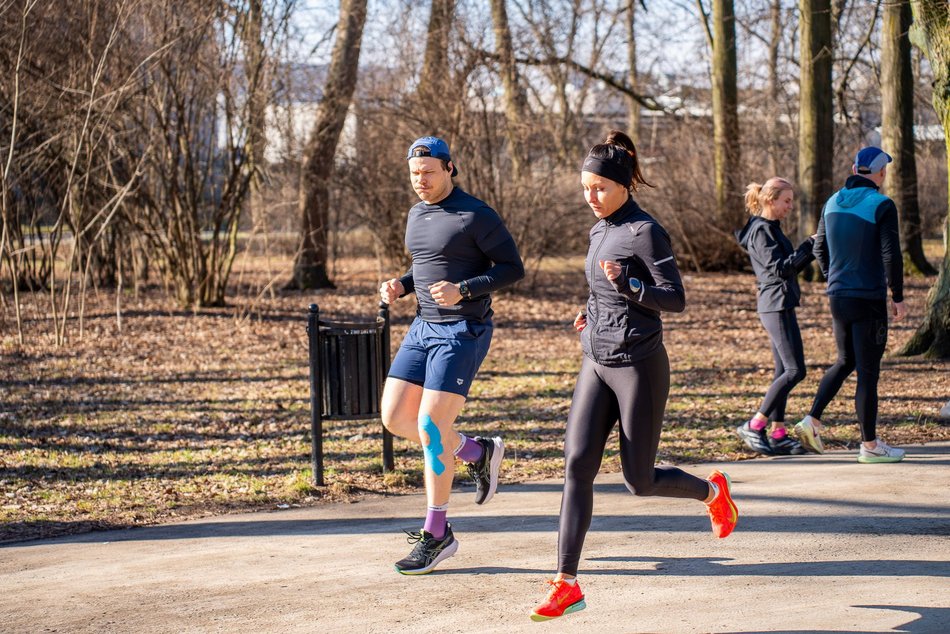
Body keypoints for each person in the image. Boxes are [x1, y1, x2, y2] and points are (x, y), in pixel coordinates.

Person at [530, 130, 738, 622]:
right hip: (596, 360)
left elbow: (674, 299)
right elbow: (599, 287)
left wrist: (632, 284)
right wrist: (589, 313)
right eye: (585, 188)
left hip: (639, 365)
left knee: (638, 481)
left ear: (622, 185)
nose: (590, 197)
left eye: (599, 187)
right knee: (577, 464)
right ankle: (566, 582)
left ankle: (713, 492)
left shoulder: (646, 231)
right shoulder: (598, 229)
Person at [379, 135, 525, 575]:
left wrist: (464, 290)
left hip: (463, 328)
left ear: (449, 168)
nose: (420, 181)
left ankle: (437, 532)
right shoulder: (415, 214)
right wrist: (402, 284)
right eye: (414, 174)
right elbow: (428, 262)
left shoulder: (476, 214)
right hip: (423, 326)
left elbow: (512, 268)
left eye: (428, 172)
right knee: (393, 418)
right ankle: (478, 453)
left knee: (429, 426)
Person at [794, 146, 907, 463]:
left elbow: (818, 248)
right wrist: (897, 296)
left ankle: (812, 420)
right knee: (868, 372)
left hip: (838, 296)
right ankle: (870, 446)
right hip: (868, 299)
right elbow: (891, 255)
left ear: (855, 169)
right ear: (880, 173)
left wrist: (833, 277)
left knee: (845, 361)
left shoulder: (832, 201)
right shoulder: (882, 204)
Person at [734, 177, 814, 455]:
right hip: (774, 305)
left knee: (784, 370)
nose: (790, 207)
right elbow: (780, 269)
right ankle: (755, 424)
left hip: (780, 303)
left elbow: (785, 268)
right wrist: (807, 248)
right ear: (770, 200)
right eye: (787, 201)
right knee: (795, 370)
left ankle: (778, 432)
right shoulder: (761, 231)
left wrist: (807, 251)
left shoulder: (770, 228)